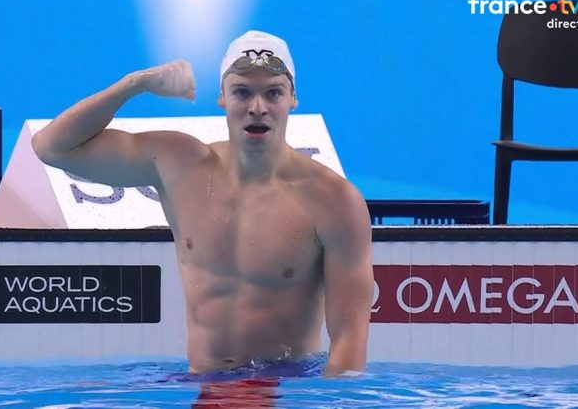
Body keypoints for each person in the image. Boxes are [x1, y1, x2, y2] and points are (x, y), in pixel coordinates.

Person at [31, 30, 374, 377]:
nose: (258, 108)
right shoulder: (179, 164)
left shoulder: (334, 201)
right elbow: (51, 147)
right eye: (242, 92)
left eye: (273, 93)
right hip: (202, 385)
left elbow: (349, 339)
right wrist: (135, 84)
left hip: (286, 386)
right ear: (222, 97)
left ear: (293, 99)